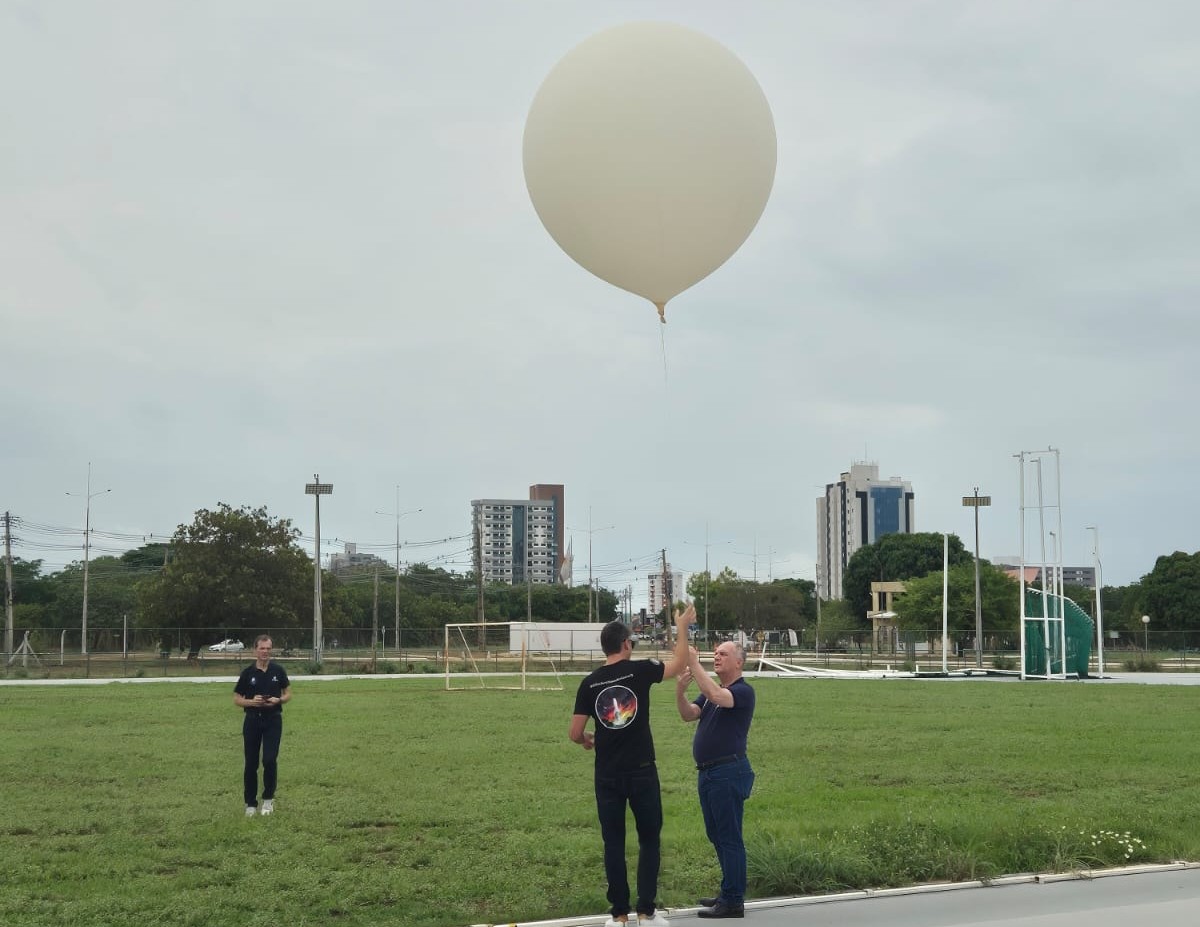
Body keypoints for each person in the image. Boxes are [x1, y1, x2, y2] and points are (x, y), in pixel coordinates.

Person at [571, 605, 696, 927]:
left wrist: (587, 739)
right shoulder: (640, 671)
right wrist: (682, 627)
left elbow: (574, 733)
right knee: (649, 839)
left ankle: (619, 915)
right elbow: (680, 663)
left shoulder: (589, 683)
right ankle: (646, 911)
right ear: (626, 644)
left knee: (612, 841)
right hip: (642, 770)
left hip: (607, 775)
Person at [675, 641, 756, 919]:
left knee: (729, 837)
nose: (717, 657)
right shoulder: (711, 694)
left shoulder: (742, 692)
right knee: (717, 834)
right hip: (709, 773)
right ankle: (728, 892)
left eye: (724, 654)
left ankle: (733, 901)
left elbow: (715, 694)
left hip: (728, 772)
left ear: (739, 662)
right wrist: (680, 691)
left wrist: (694, 662)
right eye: (716, 653)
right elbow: (688, 715)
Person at [233, 635, 291, 817]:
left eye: (268, 648)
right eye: (262, 648)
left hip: (273, 720)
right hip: (252, 720)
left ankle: (268, 799)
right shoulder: (247, 673)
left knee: (269, 760)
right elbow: (237, 699)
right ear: (255, 650)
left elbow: (288, 693)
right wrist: (252, 702)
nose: (265, 652)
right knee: (251, 763)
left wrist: (279, 699)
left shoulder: (278, 671)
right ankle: (250, 804)